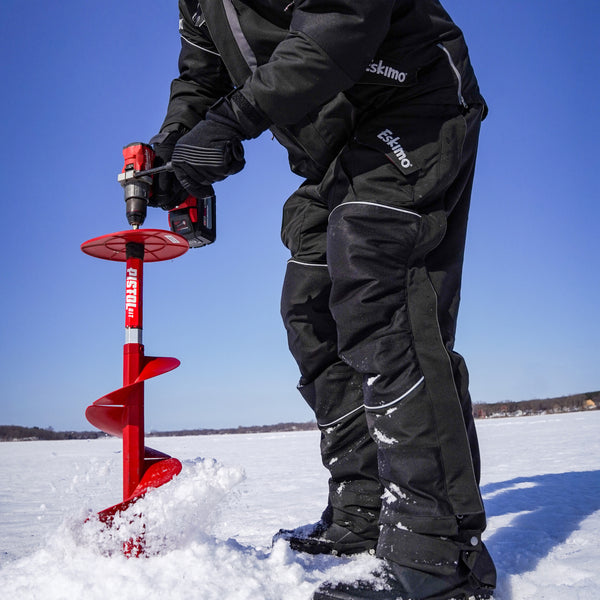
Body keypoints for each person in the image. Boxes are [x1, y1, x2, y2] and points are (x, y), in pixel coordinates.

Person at [150, 1, 497, 599]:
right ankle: (362, 513)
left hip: (414, 104)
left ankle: (436, 558)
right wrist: (175, 145)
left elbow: (343, 21)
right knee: (310, 306)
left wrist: (233, 121)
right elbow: (201, 75)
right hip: (336, 148)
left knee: (376, 284)